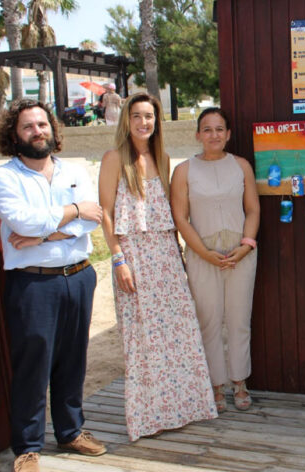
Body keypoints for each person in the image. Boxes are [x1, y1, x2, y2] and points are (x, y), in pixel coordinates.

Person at [0, 99, 106, 472]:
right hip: (33, 284)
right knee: (33, 366)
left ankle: (70, 431)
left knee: (74, 360)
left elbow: (94, 218)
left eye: (42, 124)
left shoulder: (75, 171)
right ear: (14, 135)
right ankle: (27, 447)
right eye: (28, 126)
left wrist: (43, 235)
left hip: (79, 276)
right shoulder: (2, 179)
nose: (37, 131)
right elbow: (24, 222)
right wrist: (73, 212)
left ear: (52, 129)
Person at [98, 93, 217, 441]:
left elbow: (168, 213)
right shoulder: (113, 159)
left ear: (156, 121)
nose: (143, 122)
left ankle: (182, 408)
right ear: (126, 120)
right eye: (136, 116)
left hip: (166, 256)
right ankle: (149, 417)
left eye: (149, 116)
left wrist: (179, 257)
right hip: (133, 257)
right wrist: (118, 259)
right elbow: (106, 214)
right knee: (142, 338)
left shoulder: (162, 159)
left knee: (178, 332)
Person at [171, 108, 260, 412]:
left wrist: (247, 245)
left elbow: (253, 209)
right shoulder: (184, 170)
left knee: (239, 319)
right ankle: (215, 384)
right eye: (207, 129)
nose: (214, 135)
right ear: (198, 135)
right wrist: (202, 252)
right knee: (208, 320)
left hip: (239, 253)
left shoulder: (241, 166)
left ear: (228, 134)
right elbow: (180, 218)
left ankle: (240, 382)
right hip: (202, 253)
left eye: (219, 129)